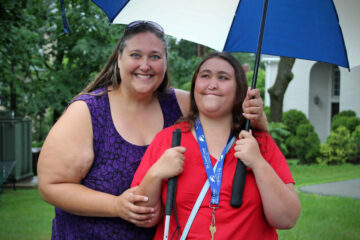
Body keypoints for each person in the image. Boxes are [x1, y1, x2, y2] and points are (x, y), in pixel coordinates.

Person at [37, 21, 268, 240]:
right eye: (136, 55)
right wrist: (115, 205)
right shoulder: (87, 112)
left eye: (155, 57)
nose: (145, 65)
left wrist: (258, 115)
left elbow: (236, 125)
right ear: (119, 59)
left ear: (165, 62)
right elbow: (51, 186)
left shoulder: (181, 105)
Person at [132, 52, 301, 240]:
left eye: (223, 77)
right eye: (205, 76)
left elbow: (287, 219)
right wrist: (155, 174)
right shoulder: (170, 140)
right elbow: (142, 217)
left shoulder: (259, 143)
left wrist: (258, 163)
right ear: (195, 85)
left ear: (240, 90)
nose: (212, 84)